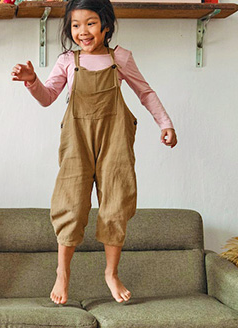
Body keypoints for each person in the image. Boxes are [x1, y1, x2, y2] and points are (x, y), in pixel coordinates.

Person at [11, 0, 177, 305]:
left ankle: (111, 273)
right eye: (75, 25)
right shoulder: (66, 61)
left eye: (90, 23)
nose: (82, 31)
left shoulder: (121, 58)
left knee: (115, 204)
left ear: (106, 26)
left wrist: (165, 124)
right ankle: (63, 273)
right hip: (76, 141)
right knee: (71, 205)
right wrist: (33, 82)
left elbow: (145, 92)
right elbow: (48, 98)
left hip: (115, 140)